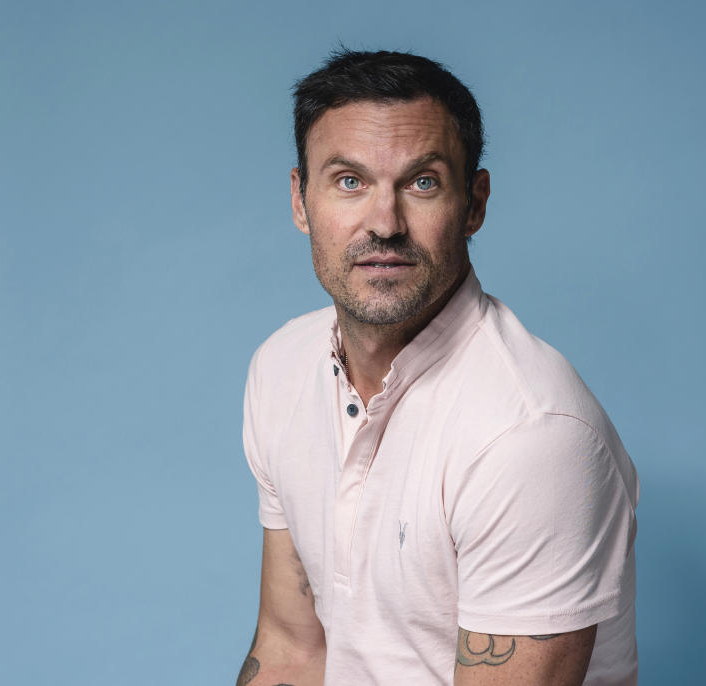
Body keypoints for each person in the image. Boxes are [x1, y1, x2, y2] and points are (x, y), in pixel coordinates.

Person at [237, 49, 639, 686]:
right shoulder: (280, 368)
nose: (384, 224)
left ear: (474, 203)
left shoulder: (530, 435)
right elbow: (291, 649)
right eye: (349, 182)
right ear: (300, 199)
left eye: (422, 182)